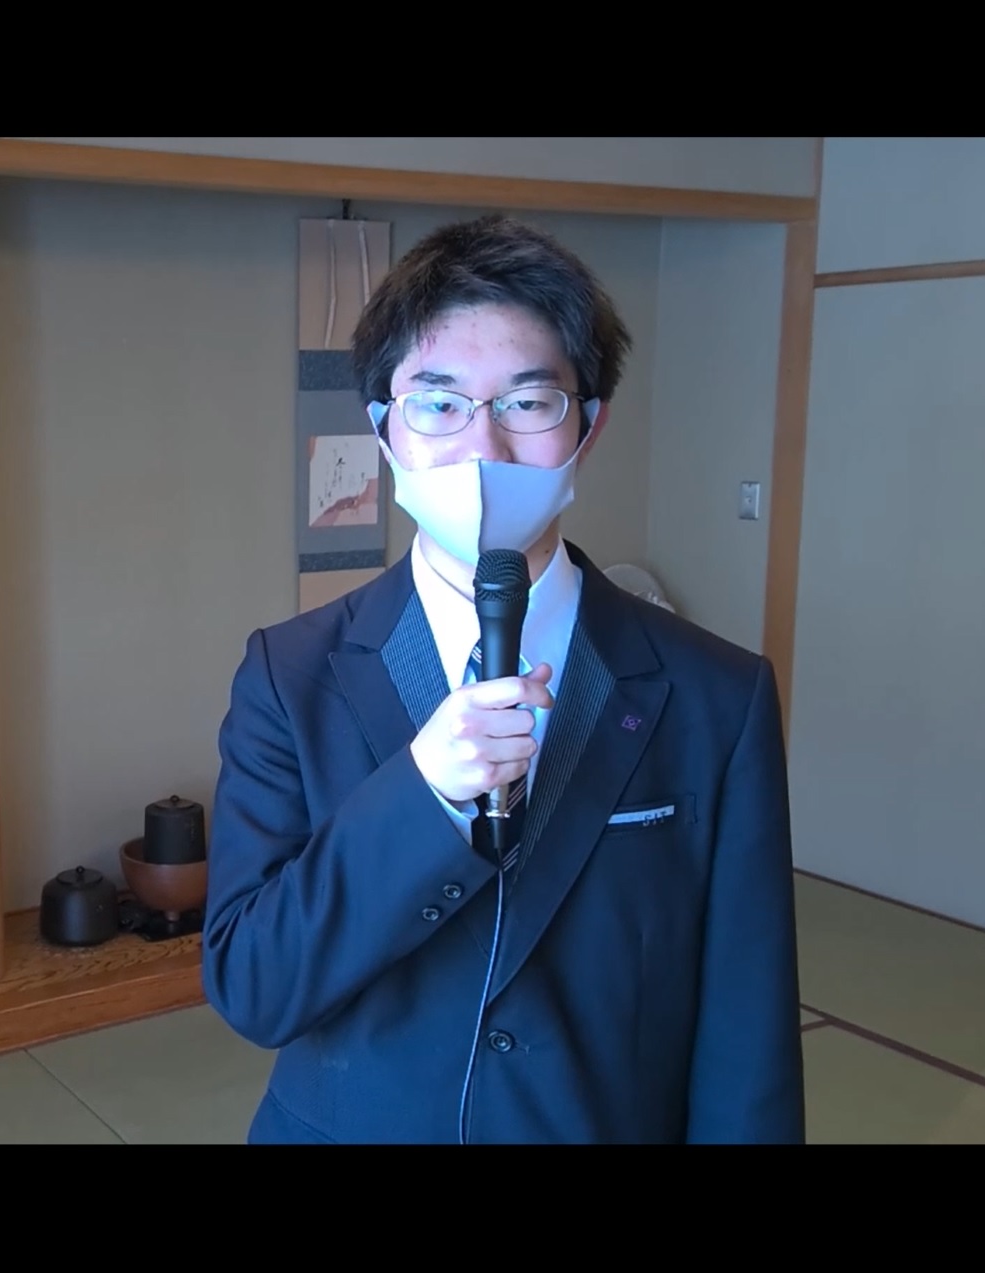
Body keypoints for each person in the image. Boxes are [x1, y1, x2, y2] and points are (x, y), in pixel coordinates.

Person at [200, 213, 804, 1144]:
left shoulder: (716, 695)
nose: (481, 446)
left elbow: (746, 1025)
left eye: (527, 401)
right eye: (438, 404)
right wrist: (424, 793)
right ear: (383, 430)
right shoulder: (291, 674)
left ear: (587, 428)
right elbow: (253, 984)